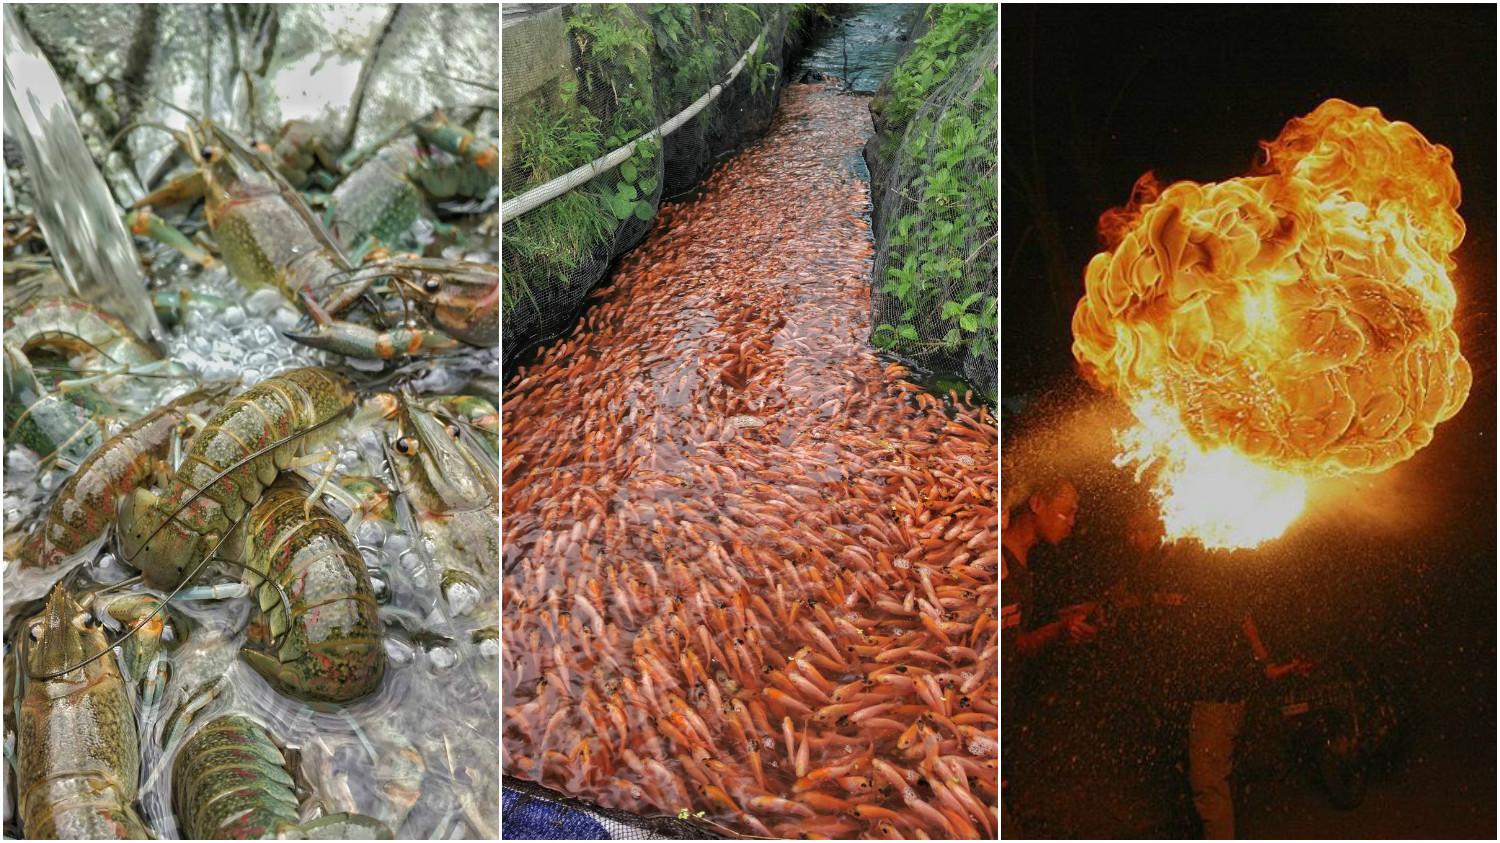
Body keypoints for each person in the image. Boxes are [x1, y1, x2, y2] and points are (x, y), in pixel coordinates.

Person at [1120, 506, 1310, 840]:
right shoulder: (1155, 567)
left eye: (1138, 531)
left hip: (1219, 687)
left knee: (1208, 785)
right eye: (1129, 531)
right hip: (1191, 688)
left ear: (1159, 530)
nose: (1130, 539)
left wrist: (1266, 663)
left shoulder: (1196, 563)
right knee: (1194, 778)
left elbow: (1240, 614)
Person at [1000, 472, 1097, 837]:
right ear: (1037, 504)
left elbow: (1018, 643)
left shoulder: (1026, 570)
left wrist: (1061, 628)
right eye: (1067, 512)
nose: (1073, 523)